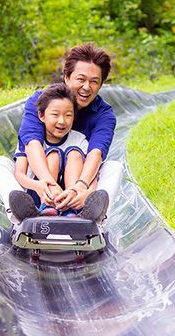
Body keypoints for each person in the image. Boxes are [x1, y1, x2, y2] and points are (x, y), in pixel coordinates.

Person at [15, 42, 117, 217]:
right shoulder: (41, 102)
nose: (86, 87)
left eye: (94, 82)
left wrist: (81, 188)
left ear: (100, 85)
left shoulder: (104, 114)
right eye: (81, 79)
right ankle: (19, 214)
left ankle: (92, 216)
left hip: (79, 180)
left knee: (114, 167)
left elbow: (96, 153)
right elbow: (32, 144)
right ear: (67, 77)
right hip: (42, 181)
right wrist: (47, 183)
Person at [8, 83, 108, 221]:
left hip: (73, 197)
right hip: (40, 194)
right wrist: (39, 186)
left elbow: (92, 176)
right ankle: (39, 210)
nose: (62, 121)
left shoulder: (79, 140)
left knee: (74, 154)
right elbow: (19, 174)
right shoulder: (32, 139)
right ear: (41, 116)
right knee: (53, 154)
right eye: (55, 115)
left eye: (68, 115)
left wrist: (86, 193)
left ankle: (75, 212)